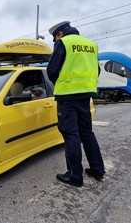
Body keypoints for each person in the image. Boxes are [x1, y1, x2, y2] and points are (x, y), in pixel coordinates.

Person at [47, 21, 105, 187]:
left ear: (59, 34)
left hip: (67, 96)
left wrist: (61, 82)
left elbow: (51, 70)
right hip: (86, 95)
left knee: (70, 134)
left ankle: (75, 176)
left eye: (54, 37)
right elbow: (97, 70)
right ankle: (97, 170)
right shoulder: (91, 45)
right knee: (86, 132)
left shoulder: (63, 43)